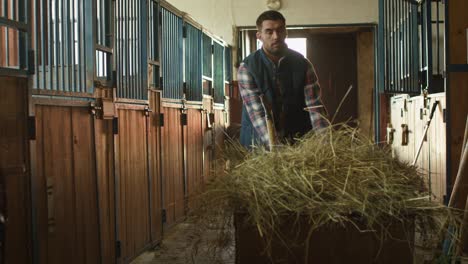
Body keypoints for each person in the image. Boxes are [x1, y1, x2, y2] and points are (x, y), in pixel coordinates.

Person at [238, 10, 327, 148]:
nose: (275, 36)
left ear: (286, 33)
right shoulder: (248, 68)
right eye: (269, 31)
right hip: (259, 145)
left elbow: (314, 106)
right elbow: (257, 113)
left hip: (297, 140)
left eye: (280, 30)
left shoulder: (303, 64)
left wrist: (325, 141)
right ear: (259, 36)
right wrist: (275, 147)